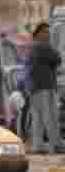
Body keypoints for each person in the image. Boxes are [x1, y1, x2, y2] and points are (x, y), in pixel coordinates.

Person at [27, 22, 63, 154]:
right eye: (46, 32)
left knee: (38, 119)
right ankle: (57, 145)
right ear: (39, 33)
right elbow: (57, 58)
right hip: (45, 87)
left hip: (34, 87)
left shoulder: (32, 46)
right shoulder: (43, 46)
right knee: (51, 116)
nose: (49, 34)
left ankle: (38, 146)